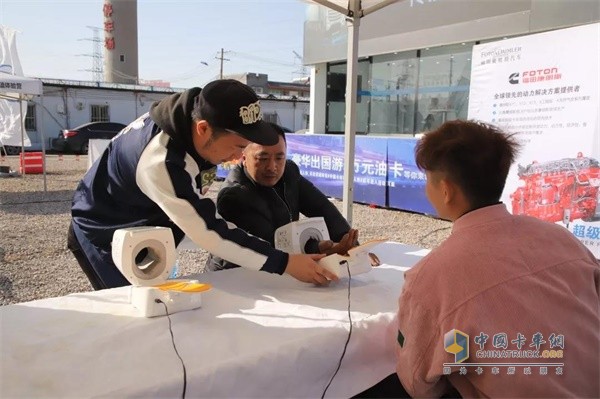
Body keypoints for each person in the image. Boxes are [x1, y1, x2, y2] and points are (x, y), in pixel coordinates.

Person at [366, 120, 599, 398]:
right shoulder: (561, 238)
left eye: (428, 179)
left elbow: (417, 382)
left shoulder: (431, 276)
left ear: (446, 190)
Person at [67, 79, 338, 290]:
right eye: (238, 147)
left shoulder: (193, 117)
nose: (238, 157)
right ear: (204, 129)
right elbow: (209, 232)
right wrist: (285, 263)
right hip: (104, 231)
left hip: (147, 226)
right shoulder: (161, 161)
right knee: (136, 314)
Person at [206, 122, 358, 271]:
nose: (272, 167)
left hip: (279, 268)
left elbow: (322, 207)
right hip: (235, 276)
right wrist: (318, 248)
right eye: (263, 159)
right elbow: (268, 244)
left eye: (279, 158)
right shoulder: (233, 196)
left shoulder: (289, 173)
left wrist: (351, 246)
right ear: (244, 158)